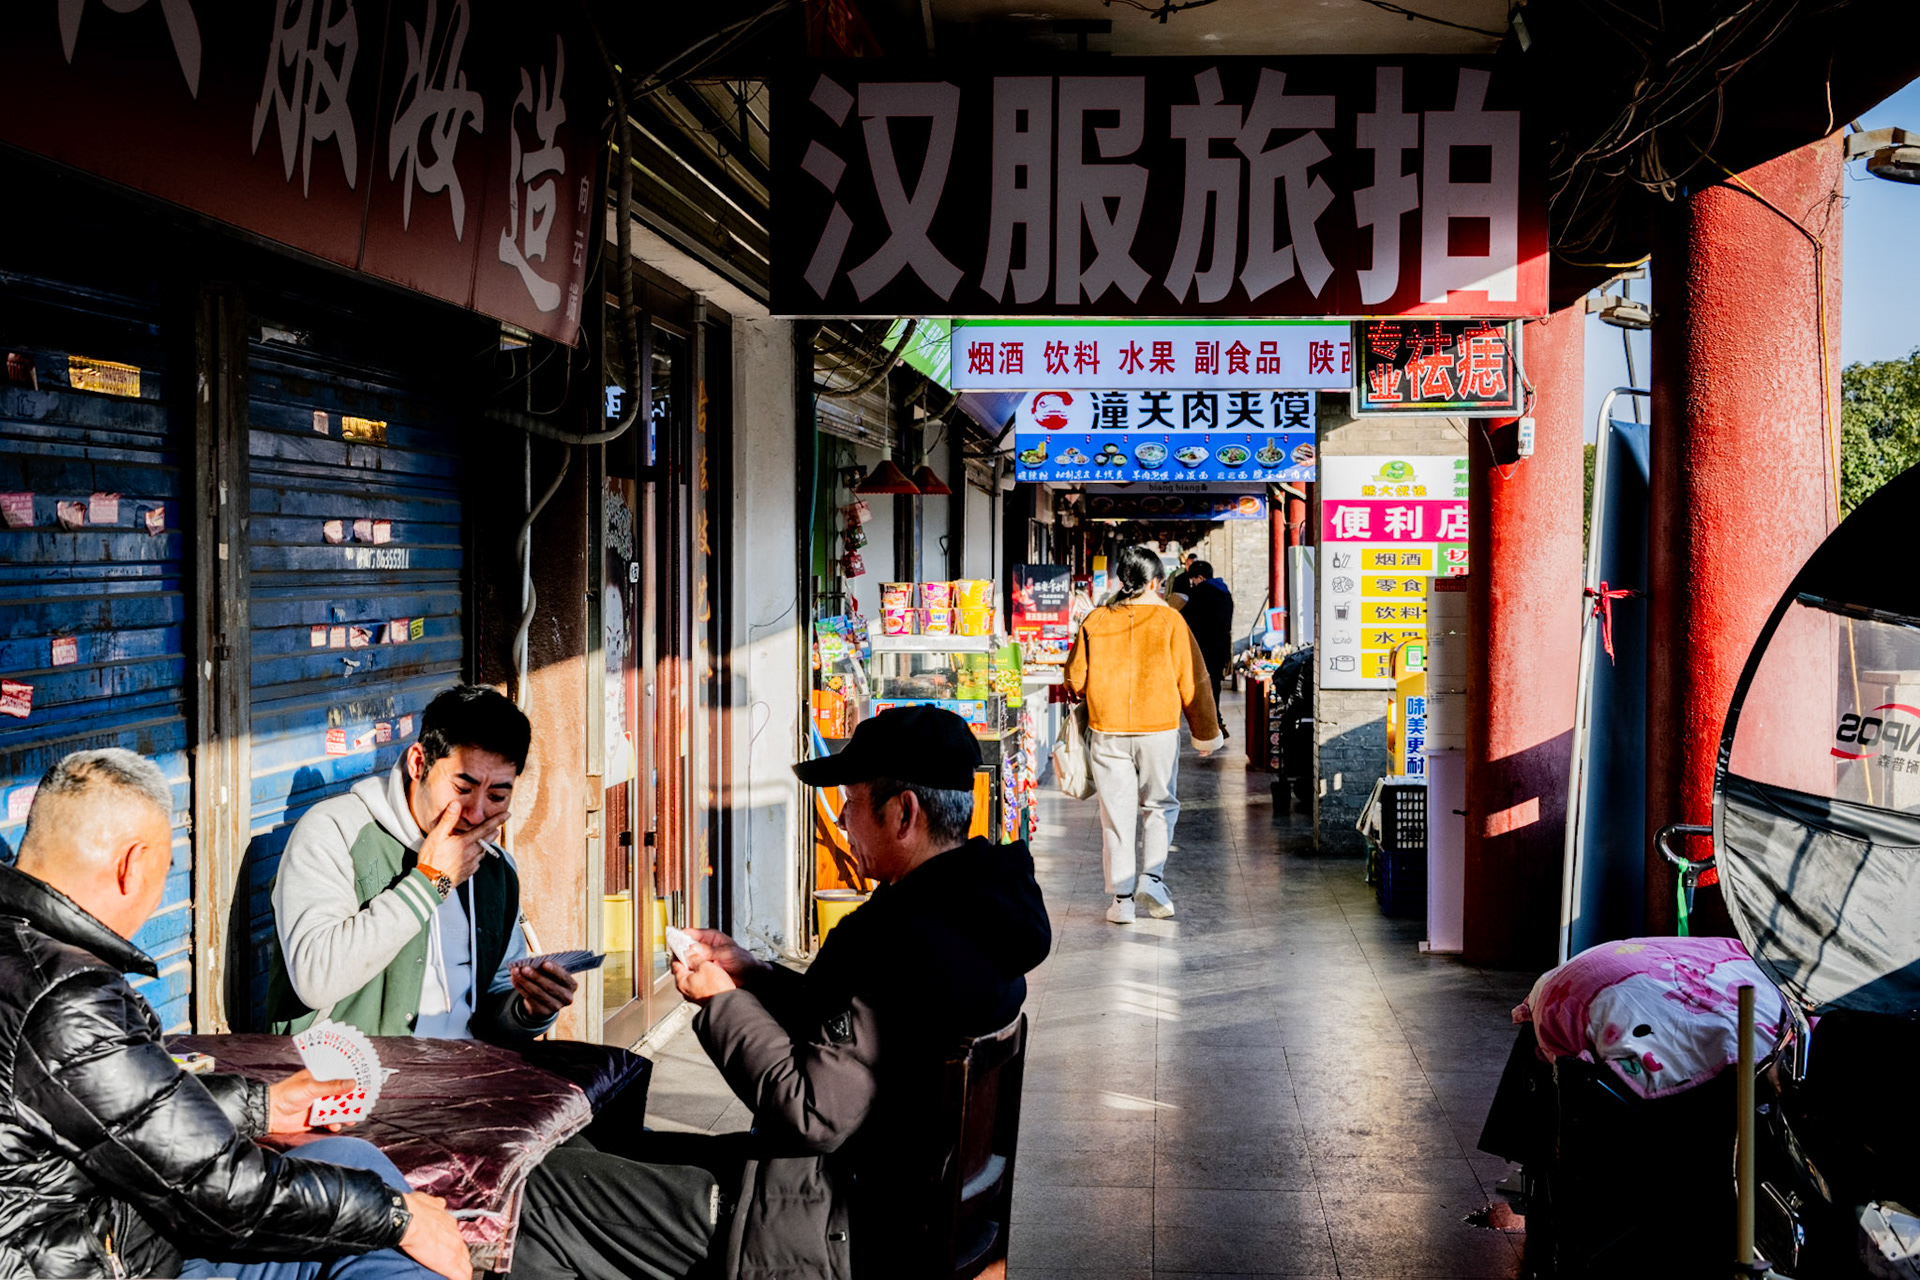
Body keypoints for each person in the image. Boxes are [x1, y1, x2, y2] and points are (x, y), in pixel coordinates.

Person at [268, 684, 720, 1280]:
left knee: (606, 1154)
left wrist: (530, 1009)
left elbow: (490, 1012)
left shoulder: (494, 869)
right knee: (559, 1197)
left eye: (497, 794)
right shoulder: (333, 832)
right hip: (362, 1099)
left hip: (466, 1089)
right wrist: (429, 881)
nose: (477, 812)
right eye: (463, 787)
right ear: (419, 762)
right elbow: (315, 975)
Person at [0, 749, 471, 1280]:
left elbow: (118, 1107)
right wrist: (397, 1217)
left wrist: (261, 1107)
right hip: (99, 1258)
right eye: (167, 868)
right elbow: (223, 1189)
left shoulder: (23, 956)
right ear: (133, 865)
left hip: (93, 1231)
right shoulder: (69, 1000)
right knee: (385, 1242)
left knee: (354, 1160)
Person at [659, 705, 1052, 1279]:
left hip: (836, 1222)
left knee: (554, 1193)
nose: (842, 821)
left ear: (903, 813)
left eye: (851, 802)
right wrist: (753, 975)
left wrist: (722, 1004)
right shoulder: (981, 913)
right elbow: (853, 1032)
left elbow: (811, 1111)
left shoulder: (901, 939)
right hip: (890, 1197)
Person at [1063, 545, 1223, 924]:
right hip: (1159, 731)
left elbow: (1075, 678)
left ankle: (1122, 901)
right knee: (1160, 805)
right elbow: (1194, 681)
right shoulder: (1171, 621)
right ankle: (1152, 878)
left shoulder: (1096, 620)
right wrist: (1205, 734)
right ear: (1154, 582)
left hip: (1109, 730)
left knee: (1116, 814)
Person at [1180, 559, 1236, 718]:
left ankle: (1205, 715)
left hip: (1205, 647)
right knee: (1215, 682)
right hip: (1222, 645)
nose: (1193, 584)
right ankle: (1215, 713)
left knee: (1201, 682)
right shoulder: (1224, 592)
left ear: (1200, 577)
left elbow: (1188, 618)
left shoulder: (1202, 591)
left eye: (1193, 580)